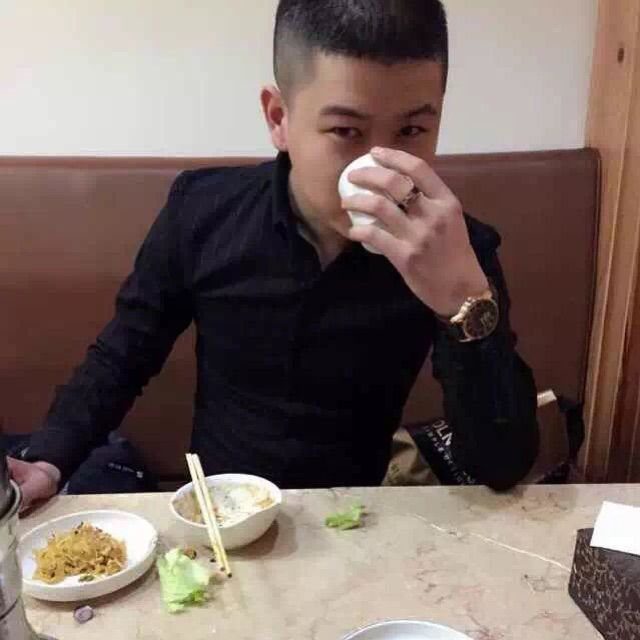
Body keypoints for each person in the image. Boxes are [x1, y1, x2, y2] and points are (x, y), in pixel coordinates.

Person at [11, 0, 539, 507]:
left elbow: (501, 464)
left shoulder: (452, 247)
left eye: (412, 130)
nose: (380, 168)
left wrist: (464, 303)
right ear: (279, 117)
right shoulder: (203, 212)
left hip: (360, 517)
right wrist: (49, 459)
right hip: (218, 513)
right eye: (346, 131)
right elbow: (125, 352)